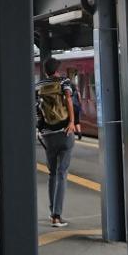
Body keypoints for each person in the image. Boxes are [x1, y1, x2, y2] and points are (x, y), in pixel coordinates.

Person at [34, 57, 76, 227]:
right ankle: (57, 215)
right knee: (62, 174)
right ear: (57, 69)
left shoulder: (38, 85)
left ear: (45, 71)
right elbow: (69, 100)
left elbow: (37, 110)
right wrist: (72, 122)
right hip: (64, 132)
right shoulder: (64, 81)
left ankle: (52, 213)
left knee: (52, 174)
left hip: (48, 135)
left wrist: (41, 129)